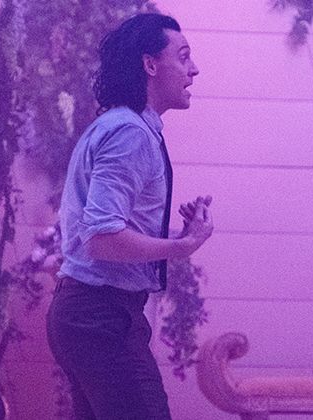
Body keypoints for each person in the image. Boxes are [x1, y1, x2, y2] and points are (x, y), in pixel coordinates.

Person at [46, 13, 213, 420]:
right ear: (150, 65)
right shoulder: (130, 132)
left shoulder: (122, 126)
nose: (194, 69)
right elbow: (103, 239)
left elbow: (106, 232)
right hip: (101, 317)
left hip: (91, 314)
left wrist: (175, 236)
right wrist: (181, 246)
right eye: (183, 56)